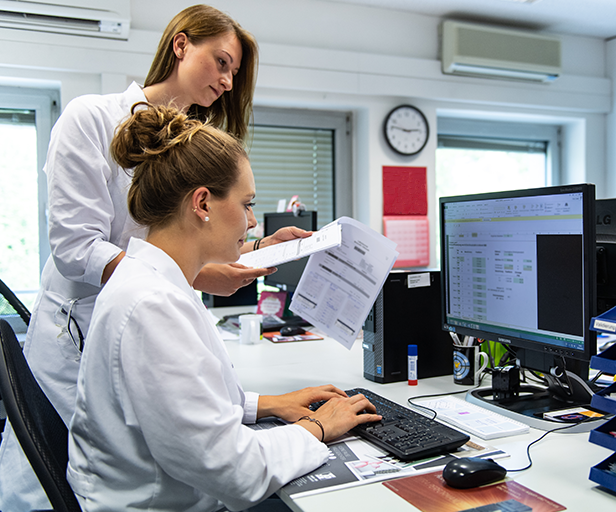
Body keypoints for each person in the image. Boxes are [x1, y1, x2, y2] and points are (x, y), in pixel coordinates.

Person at [0, 6, 310, 510]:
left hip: (135, 316)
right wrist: (184, 282)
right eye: (223, 62)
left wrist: (251, 251)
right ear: (181, 45)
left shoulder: (182, 148)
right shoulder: (92, 118)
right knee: (47, 483)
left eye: (235, 73)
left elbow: (177, 238)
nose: (228, 82)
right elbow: (78, 246)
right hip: (78, 331)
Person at [68, 102, 379, 511]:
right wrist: (318, 426)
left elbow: (185, 407)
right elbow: (234, 470)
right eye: (247, 204)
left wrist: (264, 404)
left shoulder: (153, 282)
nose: (252, 222)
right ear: (202, 204)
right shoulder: (150, 305)